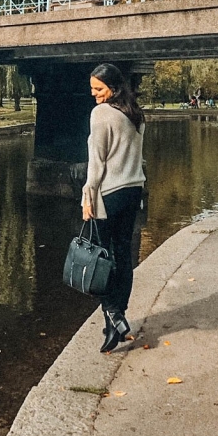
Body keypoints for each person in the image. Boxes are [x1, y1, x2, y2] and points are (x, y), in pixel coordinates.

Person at [82, 63, 146, 353]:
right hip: (133, 191)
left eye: (99, 89)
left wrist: (88, 196)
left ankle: (113, 313)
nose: (94, 94)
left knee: (98, 258)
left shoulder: (101, 114)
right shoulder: (136, 115)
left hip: (109, 193)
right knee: (122, 254)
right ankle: (114, 325)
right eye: (93, 89)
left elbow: (98, 163)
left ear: (114, 88)